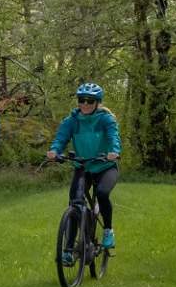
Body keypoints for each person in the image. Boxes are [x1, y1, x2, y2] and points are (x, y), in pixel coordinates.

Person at [47, 82, 122, 261]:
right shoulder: (71, 121)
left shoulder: (106, 119)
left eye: (90, 101)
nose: (85, 104)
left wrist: (114, 151)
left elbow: (113, 137)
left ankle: (108, 231)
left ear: (97, 103)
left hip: (105, 167)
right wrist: (54, 151)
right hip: (82, 168)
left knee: (102, 193)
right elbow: (60, 139)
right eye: (82, 100)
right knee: (75, 203)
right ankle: (68, 250)